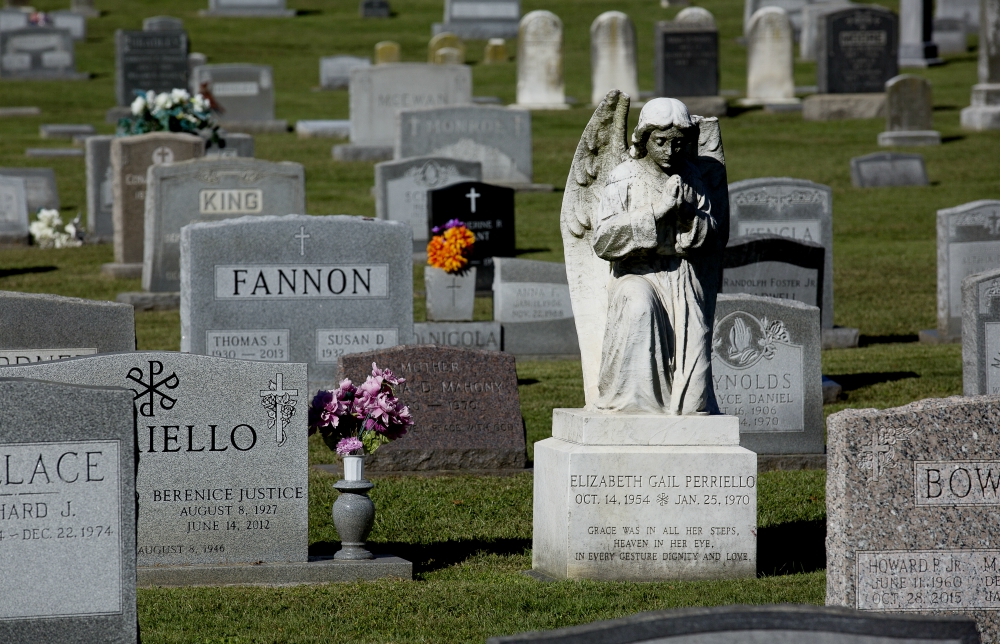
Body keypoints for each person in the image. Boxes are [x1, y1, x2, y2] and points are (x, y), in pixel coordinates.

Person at [591, 98, 722, 415]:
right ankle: (636, 413)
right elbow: (602, 241)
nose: (669, 151)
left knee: (695, 397)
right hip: (635, 275)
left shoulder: (691, 177)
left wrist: (688, 214)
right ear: (644, 138)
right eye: (660, 141)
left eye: (677, 143)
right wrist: (655, 212)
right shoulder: (625, 177)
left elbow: (713, 233)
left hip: (681, 277)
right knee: (640, 307)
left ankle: (679, 416)